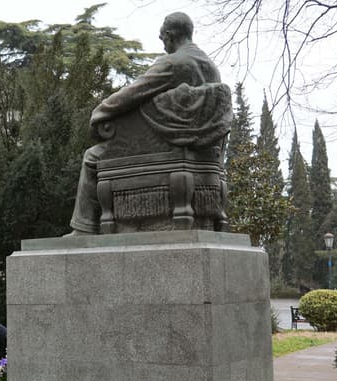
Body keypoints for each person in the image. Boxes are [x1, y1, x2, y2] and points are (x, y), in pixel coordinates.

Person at [68, 12, 223, 234]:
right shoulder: (211, 67)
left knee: (92, 156)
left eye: (163, 40)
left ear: (170, 35)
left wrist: (100, 113)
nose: (163, 46)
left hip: (166, 144)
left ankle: (84, 228)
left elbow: (135, 92)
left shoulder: (174, 63)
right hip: (202, 150)